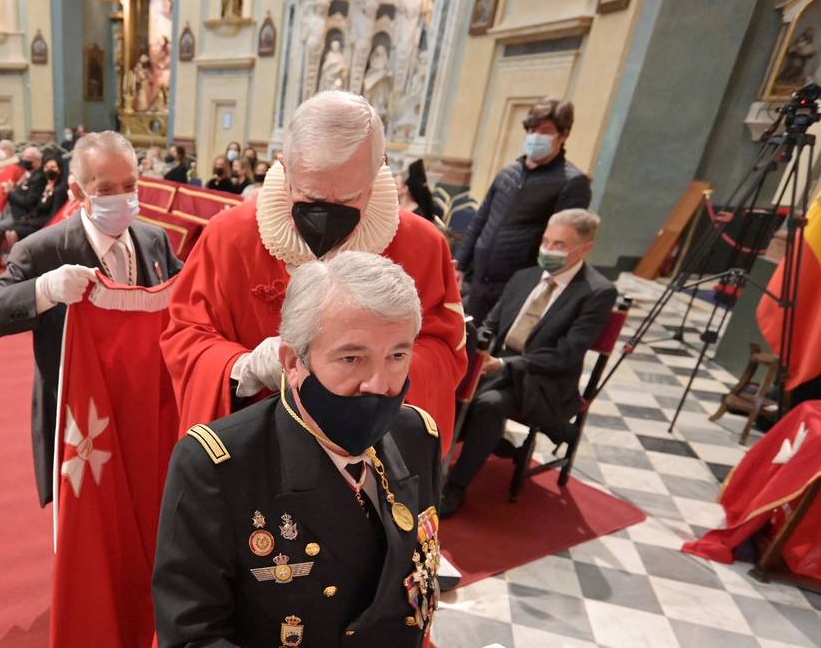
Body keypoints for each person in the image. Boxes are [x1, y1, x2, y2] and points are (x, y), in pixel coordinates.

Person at [154, 252, 512, 648]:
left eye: (398, 355)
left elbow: (408, 577)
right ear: (293, 360)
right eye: (352, 358)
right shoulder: (220, 464)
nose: (381, 383)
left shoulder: (415, 434)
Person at [162, 90, 467, 444]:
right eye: (310, 198)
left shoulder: (422, 244)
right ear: (285, 169)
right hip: (257, 443)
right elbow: (185, 337)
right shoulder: (229, 237)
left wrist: (373, 369)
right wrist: (242, 367)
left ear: (377, 170)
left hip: (371, 444)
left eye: (348, 198)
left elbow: (445, 351)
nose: (326, 214)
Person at [0, 130, 183, 507]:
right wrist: (44, 290)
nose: (122, 197)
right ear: (78, 191)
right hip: (81, 420)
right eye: (105, 189)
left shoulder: (154, 240)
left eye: (130, 185)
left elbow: (189, 294)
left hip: (145, 408)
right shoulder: (42, 250)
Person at [443, 209, 616, 516]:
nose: (548, 250)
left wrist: (505, 365)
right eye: (546, 241)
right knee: (446, 381)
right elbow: (492, 325)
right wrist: (478, 350)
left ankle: (454, 486)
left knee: (488, 404)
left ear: (585, 248)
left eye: (559, 245)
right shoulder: (525, 276)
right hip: (498, 363)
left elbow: (566, 354)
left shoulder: (596, 292)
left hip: (542, 377)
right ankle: (437, 462)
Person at [454, 98, 591, 320]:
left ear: (563, 135)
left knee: (495, 347)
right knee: (467, 342)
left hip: (519, 286)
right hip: (479, 280)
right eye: (532, 129)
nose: (536, 136)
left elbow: (561, 242)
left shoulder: (572, 182)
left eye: (545, 131)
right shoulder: (508, 172)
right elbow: (481, 221)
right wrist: (459, 264)